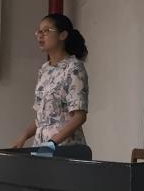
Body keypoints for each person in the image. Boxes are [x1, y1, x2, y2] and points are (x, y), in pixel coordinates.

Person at [12, 13, 89, 150]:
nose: (40, 35)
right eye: (39, 31)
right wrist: (24, 136)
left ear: (63, 35)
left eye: (46, 31)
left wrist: (52, 143)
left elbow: (79, 116)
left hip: (65, 148)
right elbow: (42, 118)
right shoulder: (44, 69)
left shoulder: (74, 68)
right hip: (42, 147)